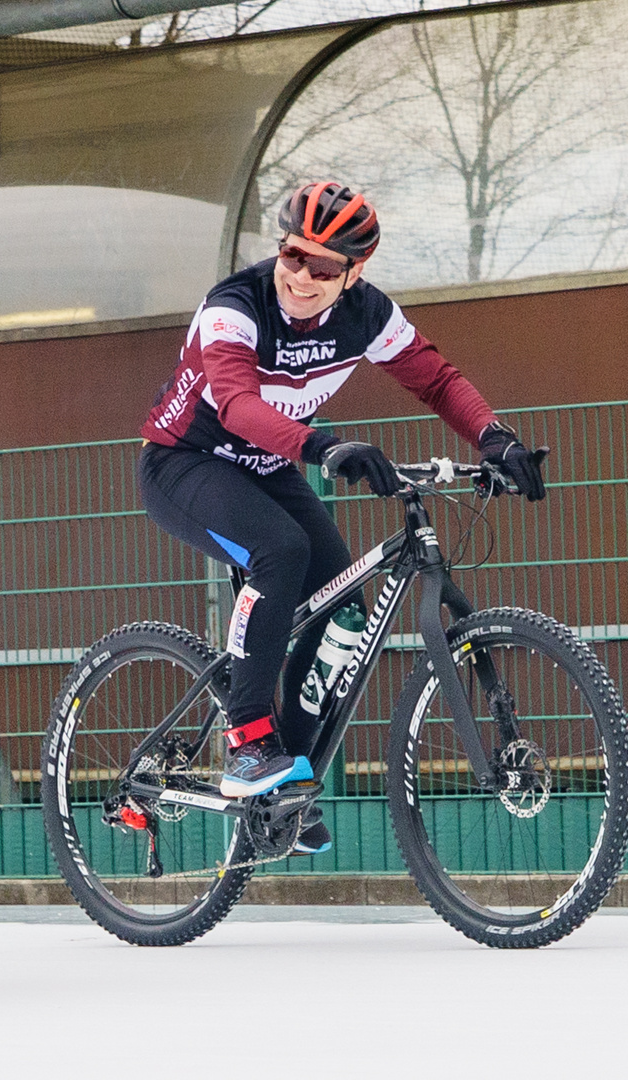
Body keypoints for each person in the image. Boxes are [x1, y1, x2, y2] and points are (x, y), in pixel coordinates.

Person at [139, 180, 546, 853]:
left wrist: (494, 438)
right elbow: (238, 405)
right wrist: (325, 448)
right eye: (294, 256)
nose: (302, 277)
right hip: (186, 462)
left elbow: (436, 380)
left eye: (324, 268)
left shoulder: (367, 315)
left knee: (344, 616)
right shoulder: (235, 307)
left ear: (355, 273)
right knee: (279, 551)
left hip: (268, 466)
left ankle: (284, 789)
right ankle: (247, 743)